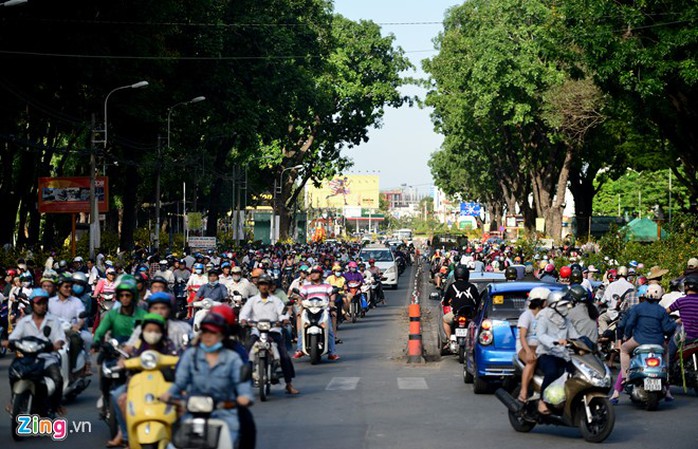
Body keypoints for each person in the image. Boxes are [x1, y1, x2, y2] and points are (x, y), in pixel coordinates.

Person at [160, 312, 253, 448]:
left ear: (222, 336)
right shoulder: (191, 355)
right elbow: (180, 382)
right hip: (191, 415)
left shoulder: (232, 359)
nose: (208, 336)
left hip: (224, 415)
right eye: (205, 332)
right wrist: (168, 394)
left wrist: (244, 397)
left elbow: (242, 384)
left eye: (213, 332)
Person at [108, 313, 176, 448]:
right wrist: (123, 363)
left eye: (156, 331)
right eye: (149, 330)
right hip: (138, 384)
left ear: (162, 332)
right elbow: (129, 363)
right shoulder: (138, 345)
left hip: (163, 384)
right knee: (118, 397)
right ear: (143, 331)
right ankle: (127, 436)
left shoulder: (168, 345)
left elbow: (177, 362)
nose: (153, 334)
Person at [5, 288, 66, 415]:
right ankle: (13, 400)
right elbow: (14, 337)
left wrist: (57, 344)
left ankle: (56, 405)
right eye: (38, 303)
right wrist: (9, 343)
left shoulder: (53, 320)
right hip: (27, 358)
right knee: (13, 372)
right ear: (32, 304)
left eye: (44, 303)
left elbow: (60, 338)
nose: (41, 306)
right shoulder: (24, 321)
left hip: (47, 358)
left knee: (57, 378)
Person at [240, 275, 299, 394]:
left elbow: (283, 313)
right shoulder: (252, 301)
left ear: (270, 286)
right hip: (257, 331)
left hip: (273, 331)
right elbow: (244, 314)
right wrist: (244, 321)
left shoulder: (276, 301)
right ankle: (241, 383)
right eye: (261, 284)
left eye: (266, 284)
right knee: (245, 351)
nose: (264, 287)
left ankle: (288, 384)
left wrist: (284, 319)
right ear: (258, 286)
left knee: (284, 356)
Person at [618, 284, 676, 401]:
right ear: (660, 297)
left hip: (639, 340)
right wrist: (670, 331)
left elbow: (629, 324)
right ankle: (667, 379)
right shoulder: (661, 311)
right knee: (666, 353)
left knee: (624, 349)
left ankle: (625, 376)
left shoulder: (638, 308)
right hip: (658, 342)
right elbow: (668, 328)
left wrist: (626, 336)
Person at [535, 289, 579, 415]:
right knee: (552, 372)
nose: (566, 308)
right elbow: (541, 335)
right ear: (554, 305)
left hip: (564, 355)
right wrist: (556, 341)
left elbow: (575, 335)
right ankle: (542, 401)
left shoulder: (566, 319)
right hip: (546, 354)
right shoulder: (543, 317)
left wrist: (585, 342)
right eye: (563, 305)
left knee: (575, 374)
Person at [293, 265, 340, 361]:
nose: (313, 275)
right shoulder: (306, 287)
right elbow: (301, 297)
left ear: (321, 274)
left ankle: (332, 353)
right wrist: (300, 309)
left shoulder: (327, 285)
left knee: (329, 331)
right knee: (302, 329)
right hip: (308, 310)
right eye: (312, 273)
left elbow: (332, 296)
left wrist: (332, 305)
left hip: (323, 311)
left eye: (316, 273)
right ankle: (299, 349)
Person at [49, 274, 92, 373]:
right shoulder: (50, 302)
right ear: (58, 288)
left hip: (71, 330)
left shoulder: (77, 301)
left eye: (70, 287)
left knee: (86, 338)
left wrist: (78, 326)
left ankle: (78, 365)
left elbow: (82, 317)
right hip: (53, 331)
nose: (69, 289)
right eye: (66, 287)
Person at [93, 275, 148, 347]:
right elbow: (100, 331)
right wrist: (96, 342)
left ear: (134, 296)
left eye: (127, 295)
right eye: (121, 295)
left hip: (136, 351)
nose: (124, 298)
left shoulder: (143, 315)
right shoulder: (112, 314)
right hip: (115, 349)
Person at [516, 286, 550, 402]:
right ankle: (523, 391)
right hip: (525, 347)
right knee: (532, 361)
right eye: (547, 301)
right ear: (541, 302)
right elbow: (522, 336)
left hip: (541, 347)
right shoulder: (526, 315)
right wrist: (528, 352)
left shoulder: (546, 316)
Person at [666, 273, 698, 368]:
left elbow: (665, 312)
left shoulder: (681, 301)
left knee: (669, 352)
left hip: (684, 336)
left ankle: (668, 372)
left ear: (686, 286)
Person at [441, 265, 480, 340]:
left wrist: (447, 303)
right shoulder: (472, 287)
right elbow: (478, 301)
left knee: (445, 320)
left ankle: (450, 339)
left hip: (456, 314)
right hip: (470, 314)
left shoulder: (452, 286)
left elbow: (446, 301)